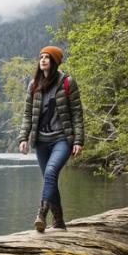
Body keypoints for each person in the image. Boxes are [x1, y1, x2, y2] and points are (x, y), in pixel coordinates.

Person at [17, 46, 84, 233]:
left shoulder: (67, 83)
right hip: (41, 141)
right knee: (49, 178)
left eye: (48, 57)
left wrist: (78, 141)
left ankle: (41, 213)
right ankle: (59, 220)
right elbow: (28, 115)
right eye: (41, 57)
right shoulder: (33, 85)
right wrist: (23, 137)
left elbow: (77, 113)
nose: (43, 60)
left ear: (55, 62)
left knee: (51, 172)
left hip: (62, 139)